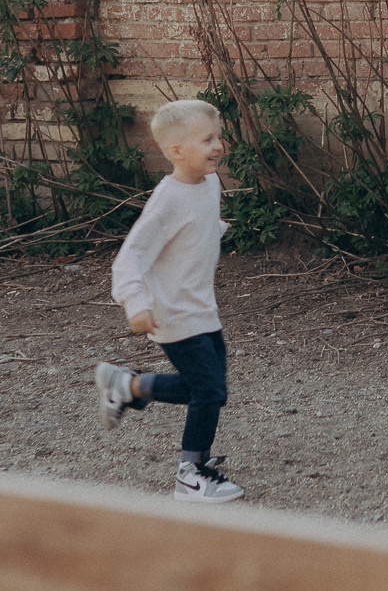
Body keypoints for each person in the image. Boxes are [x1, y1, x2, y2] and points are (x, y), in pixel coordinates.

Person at [96, 98, 243, 503]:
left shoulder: (209, 183)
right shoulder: (167, 200)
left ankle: (128, 385)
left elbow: (196, 226)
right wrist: (135, 304)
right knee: (208, 390)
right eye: (207, 139)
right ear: (177, 151)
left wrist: (215, 230)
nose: (218, 146)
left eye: (218, 137)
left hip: (201, 306)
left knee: (210, 389)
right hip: (171, 312)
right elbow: (131, 257)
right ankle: (190, 474)